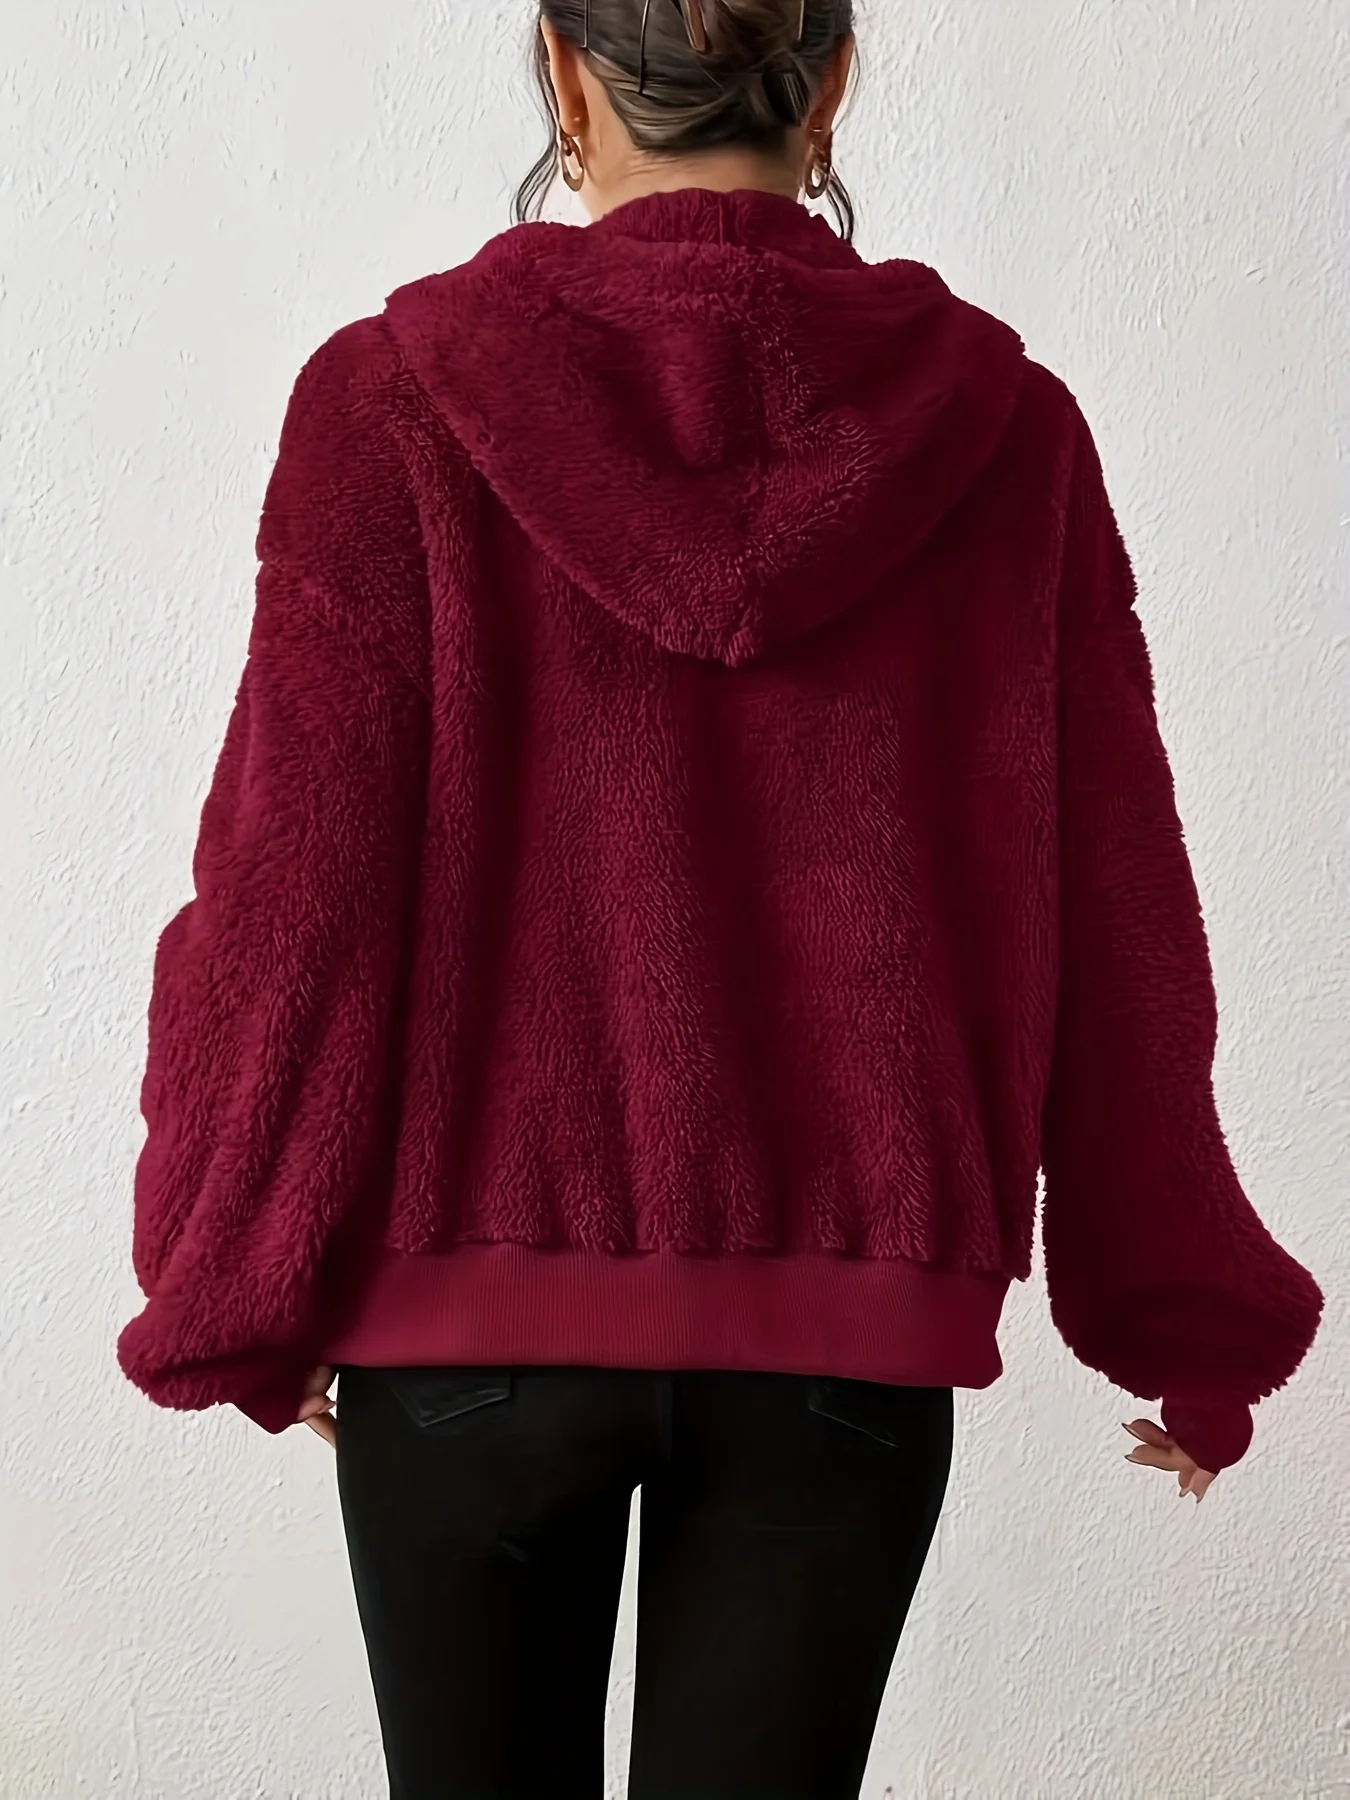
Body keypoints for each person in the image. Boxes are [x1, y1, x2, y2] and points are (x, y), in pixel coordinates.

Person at [118, 2, 1324, 1795]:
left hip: (460, 1347)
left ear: (560, 68)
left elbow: (290, 888)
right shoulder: (1010, 432)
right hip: (846, 1356)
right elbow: (1123, 909)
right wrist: (1182, 1315)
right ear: (827, 77)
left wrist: (238, 1264)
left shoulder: (389, 400)